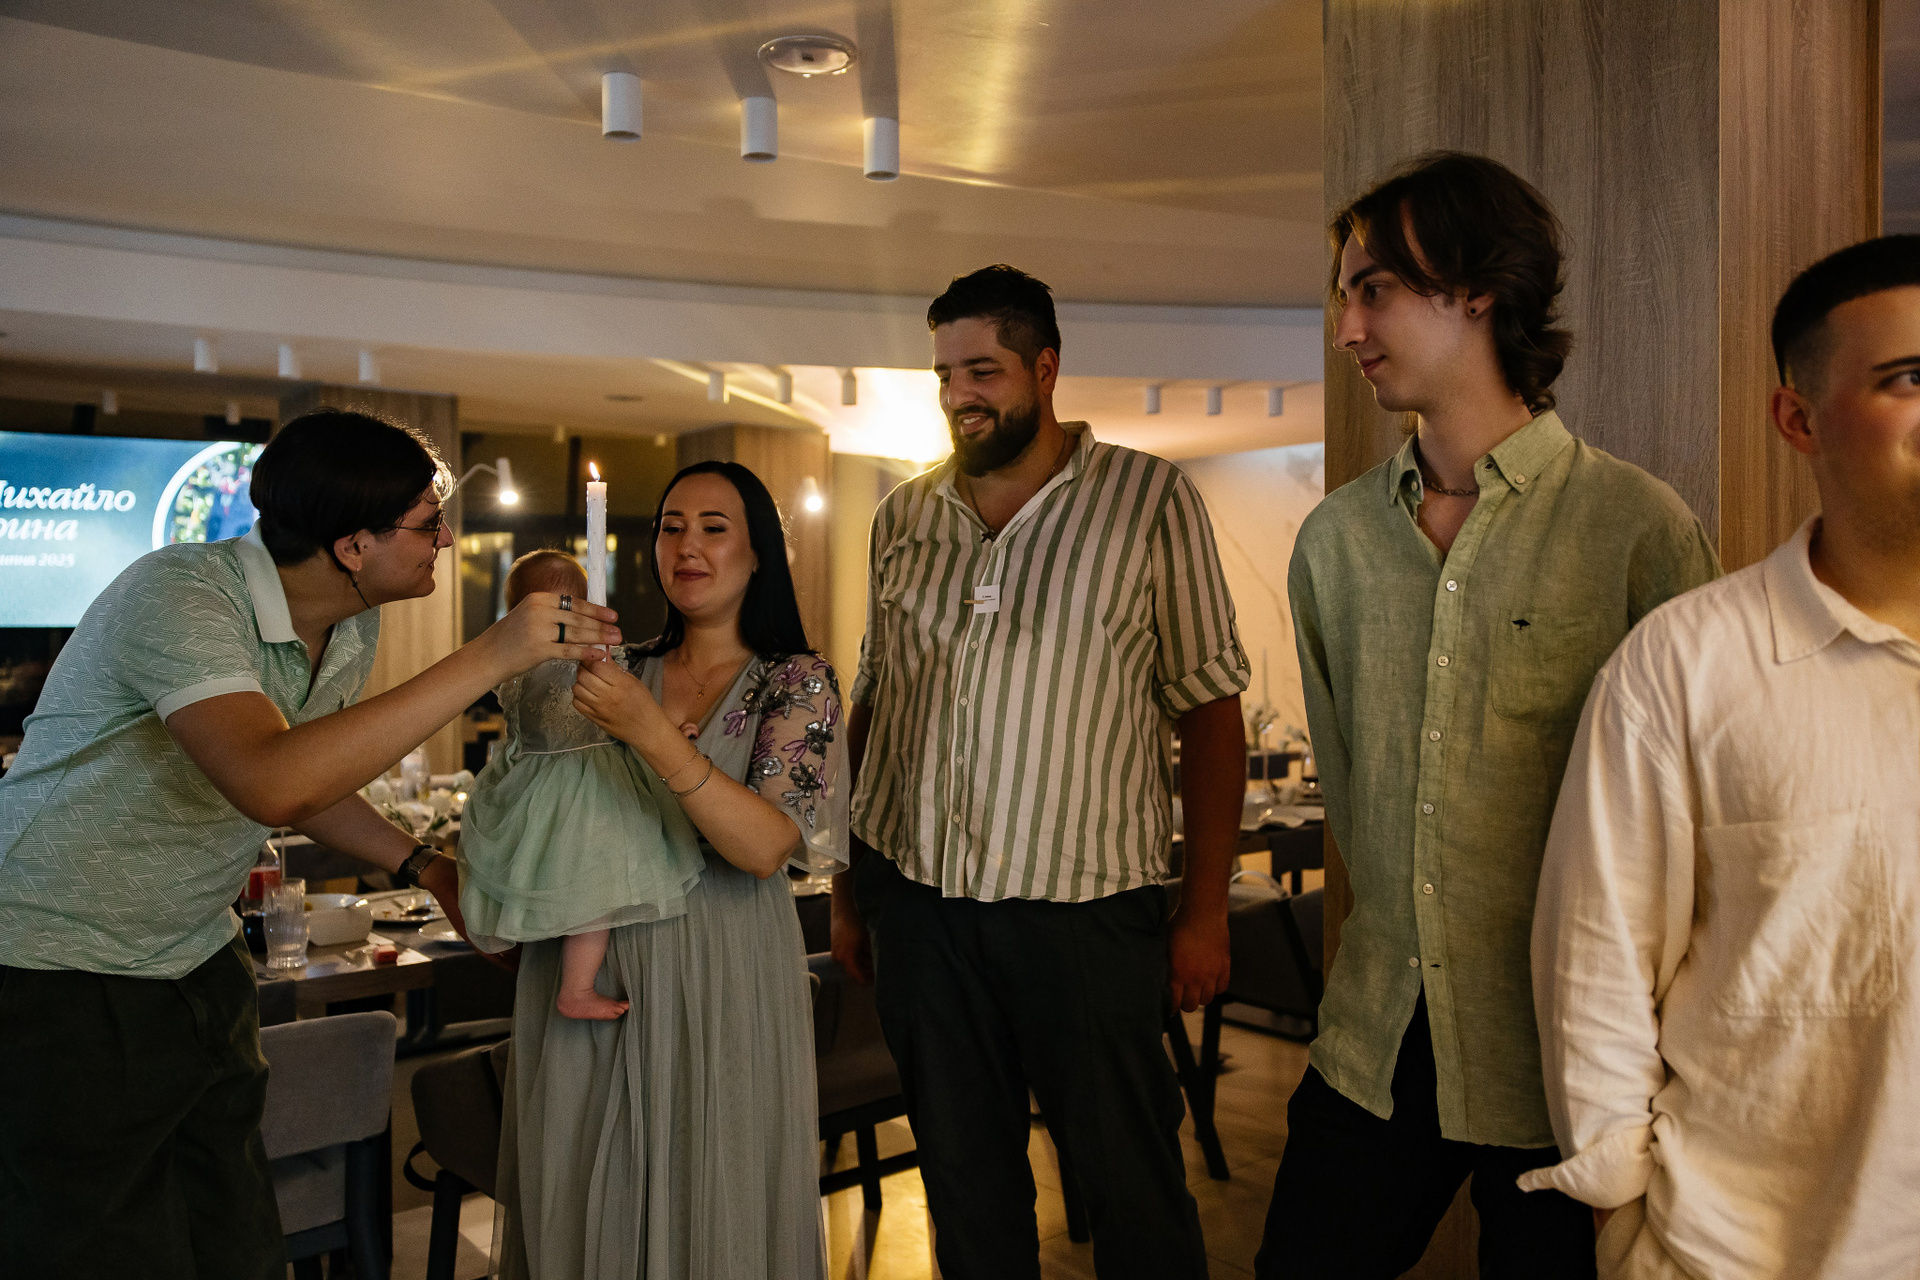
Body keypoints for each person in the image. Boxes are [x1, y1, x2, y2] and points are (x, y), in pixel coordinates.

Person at [0, 409, 618, 1280]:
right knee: (96, 1246)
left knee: (240, 1238)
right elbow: (270, 781)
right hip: (57, 962)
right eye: (426, 523)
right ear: (353, 546)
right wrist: (490, 656)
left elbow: (313, 778)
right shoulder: (180, 594)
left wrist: (428, 867)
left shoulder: (349, 623)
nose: (446, 539)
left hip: (196, 952)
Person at [1253, 153, 1721, 1278]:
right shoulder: (1335, 544)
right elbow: (1352, 793)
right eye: (1344, 296)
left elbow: (1707, 817)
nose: (1347, 328)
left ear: (1475, 287)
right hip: (1377, 1035)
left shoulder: (1635, 528)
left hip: (1570, 1057)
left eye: (1373, 290)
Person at [831, 264, 1250, 1280]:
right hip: (921, 909)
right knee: (965, 1192)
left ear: (1046, 369)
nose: (959, 395)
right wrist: (848, 886)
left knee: (1133, 1188)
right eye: (944, 375)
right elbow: (873, 702)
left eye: (983, 370)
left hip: (1086, 916)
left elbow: (1210, 711)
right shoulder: (903, 517)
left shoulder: (1149, 501)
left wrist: (1204, 909)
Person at [1523, 237, 1920, 1278]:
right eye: (1910, 378)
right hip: (1748, 1250)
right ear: (1799, 418)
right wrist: (1623, 1220)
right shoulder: (1686, 666)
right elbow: (1596, 960)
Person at [493, 460, 845, 1280]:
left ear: (759, 554)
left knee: (709, 1205)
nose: (686, 546)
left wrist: (649, 731)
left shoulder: (795, 681)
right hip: (593, 968)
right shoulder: (610, 667)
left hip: (722, 967)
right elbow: (544, 791)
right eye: (670, 527)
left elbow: (763, 848)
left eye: (714, 528)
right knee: (585, 1204)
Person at [456, 550, 705, 1020]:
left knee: (552, 884)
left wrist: (667, 731)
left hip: (535, 793)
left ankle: (563, 979)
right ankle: (576, 988)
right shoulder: (591, 660)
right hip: (588, 789)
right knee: (597, 894)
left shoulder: (511, 670)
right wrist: (667, 727)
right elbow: (628, 711)